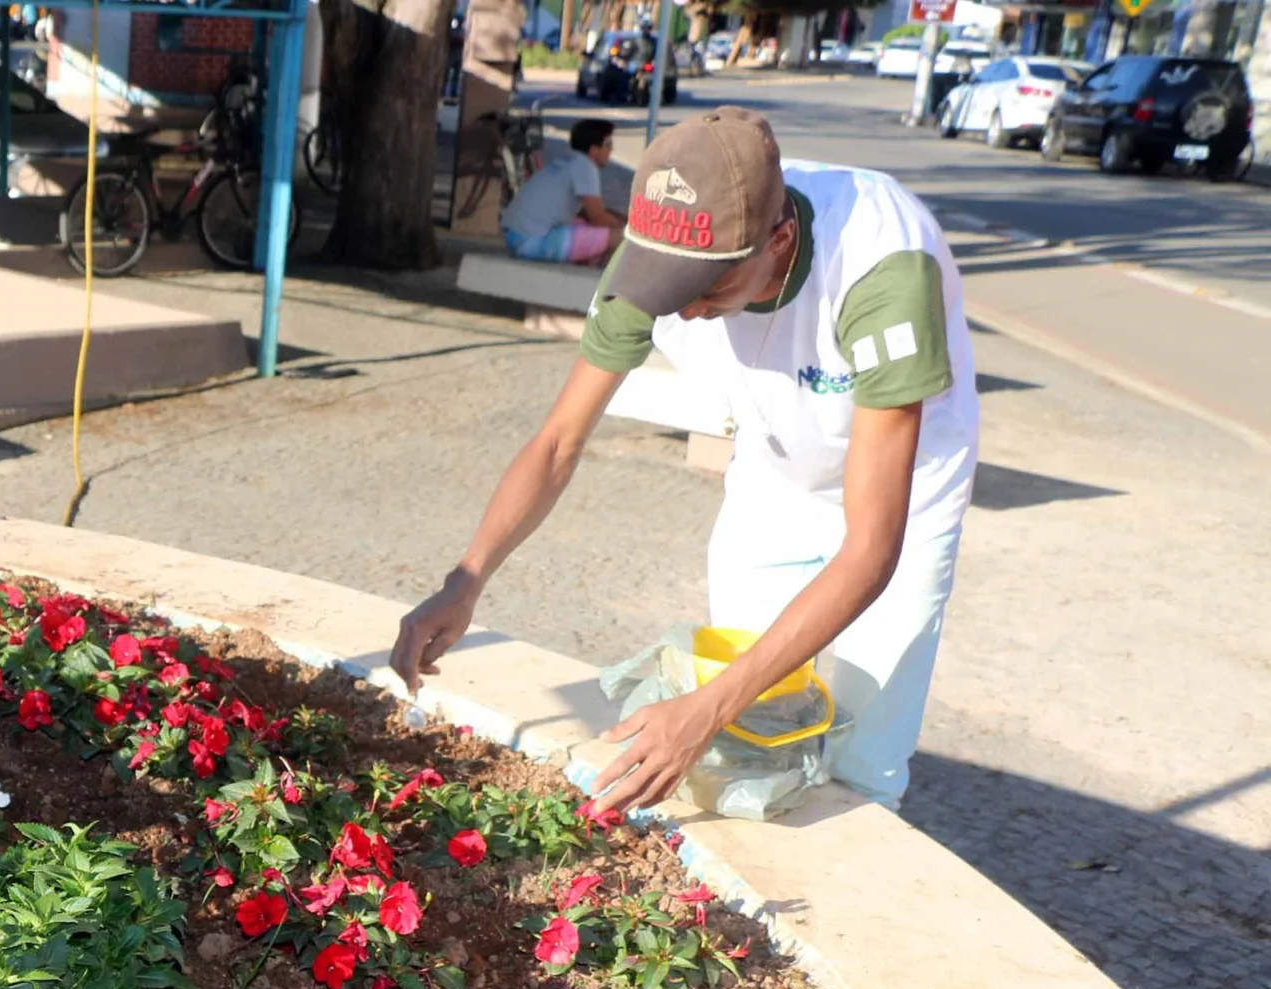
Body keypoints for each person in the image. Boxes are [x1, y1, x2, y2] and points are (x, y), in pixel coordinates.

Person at [393, 106, 978, 812]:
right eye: (670, 287)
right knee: (753, 738)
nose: (687, 309)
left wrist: (704, 711)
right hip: (774, 471)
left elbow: (871, 551)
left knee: (861, 764)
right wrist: (468, 578)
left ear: (779, 238)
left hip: (905, 494)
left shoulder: (882, 269)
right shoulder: (656, 257)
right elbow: (558, 442)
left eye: (709, 288)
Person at [502, 117, 626, 265]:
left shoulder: (570, 162)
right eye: (608, 144)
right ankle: (601, 285)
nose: (611, 150)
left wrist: (621, 218)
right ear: (593, 150)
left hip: (517, 238)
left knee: (587, 228)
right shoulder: (585, 167)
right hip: (532, 242)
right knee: (622, 238)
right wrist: (630, 228)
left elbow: (588, 212)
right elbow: (598, 217)